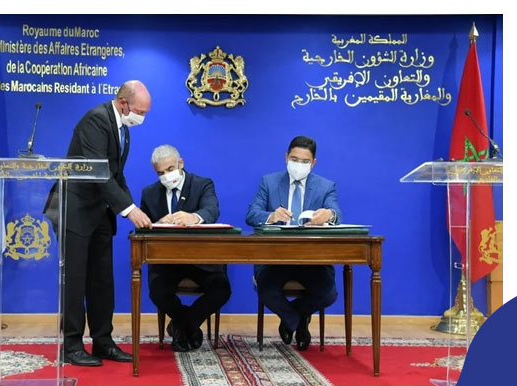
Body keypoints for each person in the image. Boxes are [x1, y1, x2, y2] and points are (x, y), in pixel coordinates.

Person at [43, 80, 152, 366]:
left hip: (100, 212)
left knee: (102, 281)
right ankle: (72, 346)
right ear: (124, 103)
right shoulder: (96, 120)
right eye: (140, 111)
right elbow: (97, 172)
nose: (142, 118)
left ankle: (103, 342)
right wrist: (129, 210)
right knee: (75, 281)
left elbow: (116, 175)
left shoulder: (122, 128)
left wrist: (133, 207)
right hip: (75, 210)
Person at [245, 136, 341, 351]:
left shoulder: (326, 186)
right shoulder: (269, 182)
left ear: (313, 163)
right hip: (275, 258)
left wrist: (329, 214)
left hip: (312, 259)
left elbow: (336, 212)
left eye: (305, 161)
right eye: (294, 159)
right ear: (286, 157)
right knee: (266, 291)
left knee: (328, 293)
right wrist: (271, 216)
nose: (299, 165)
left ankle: (291, 318)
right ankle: (298, 323)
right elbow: (251, 214)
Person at [140, 145, 231, 352]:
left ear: (181, 163)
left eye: (170, 169)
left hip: (202, 259)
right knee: (157, 291)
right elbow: (145, 228)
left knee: (221, 289)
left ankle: (181, 325)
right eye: (160, 173)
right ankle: (187, 326)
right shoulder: (149, 193)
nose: (166, 176)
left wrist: (194, 217)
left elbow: (212, 210)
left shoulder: (202, 184)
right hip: (167, 262)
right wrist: (158, 223)